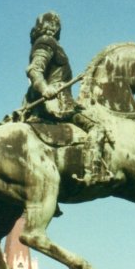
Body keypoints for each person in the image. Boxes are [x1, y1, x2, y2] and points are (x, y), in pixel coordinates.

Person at [25, 11, 114, 185]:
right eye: (56, 25)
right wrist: (45, 88)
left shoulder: (46, 43)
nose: (57, 28)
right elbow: (34, 70)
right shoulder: (46, 43)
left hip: (56, 101)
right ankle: (92, 173)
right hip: (58, 104)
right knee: (97, 127)